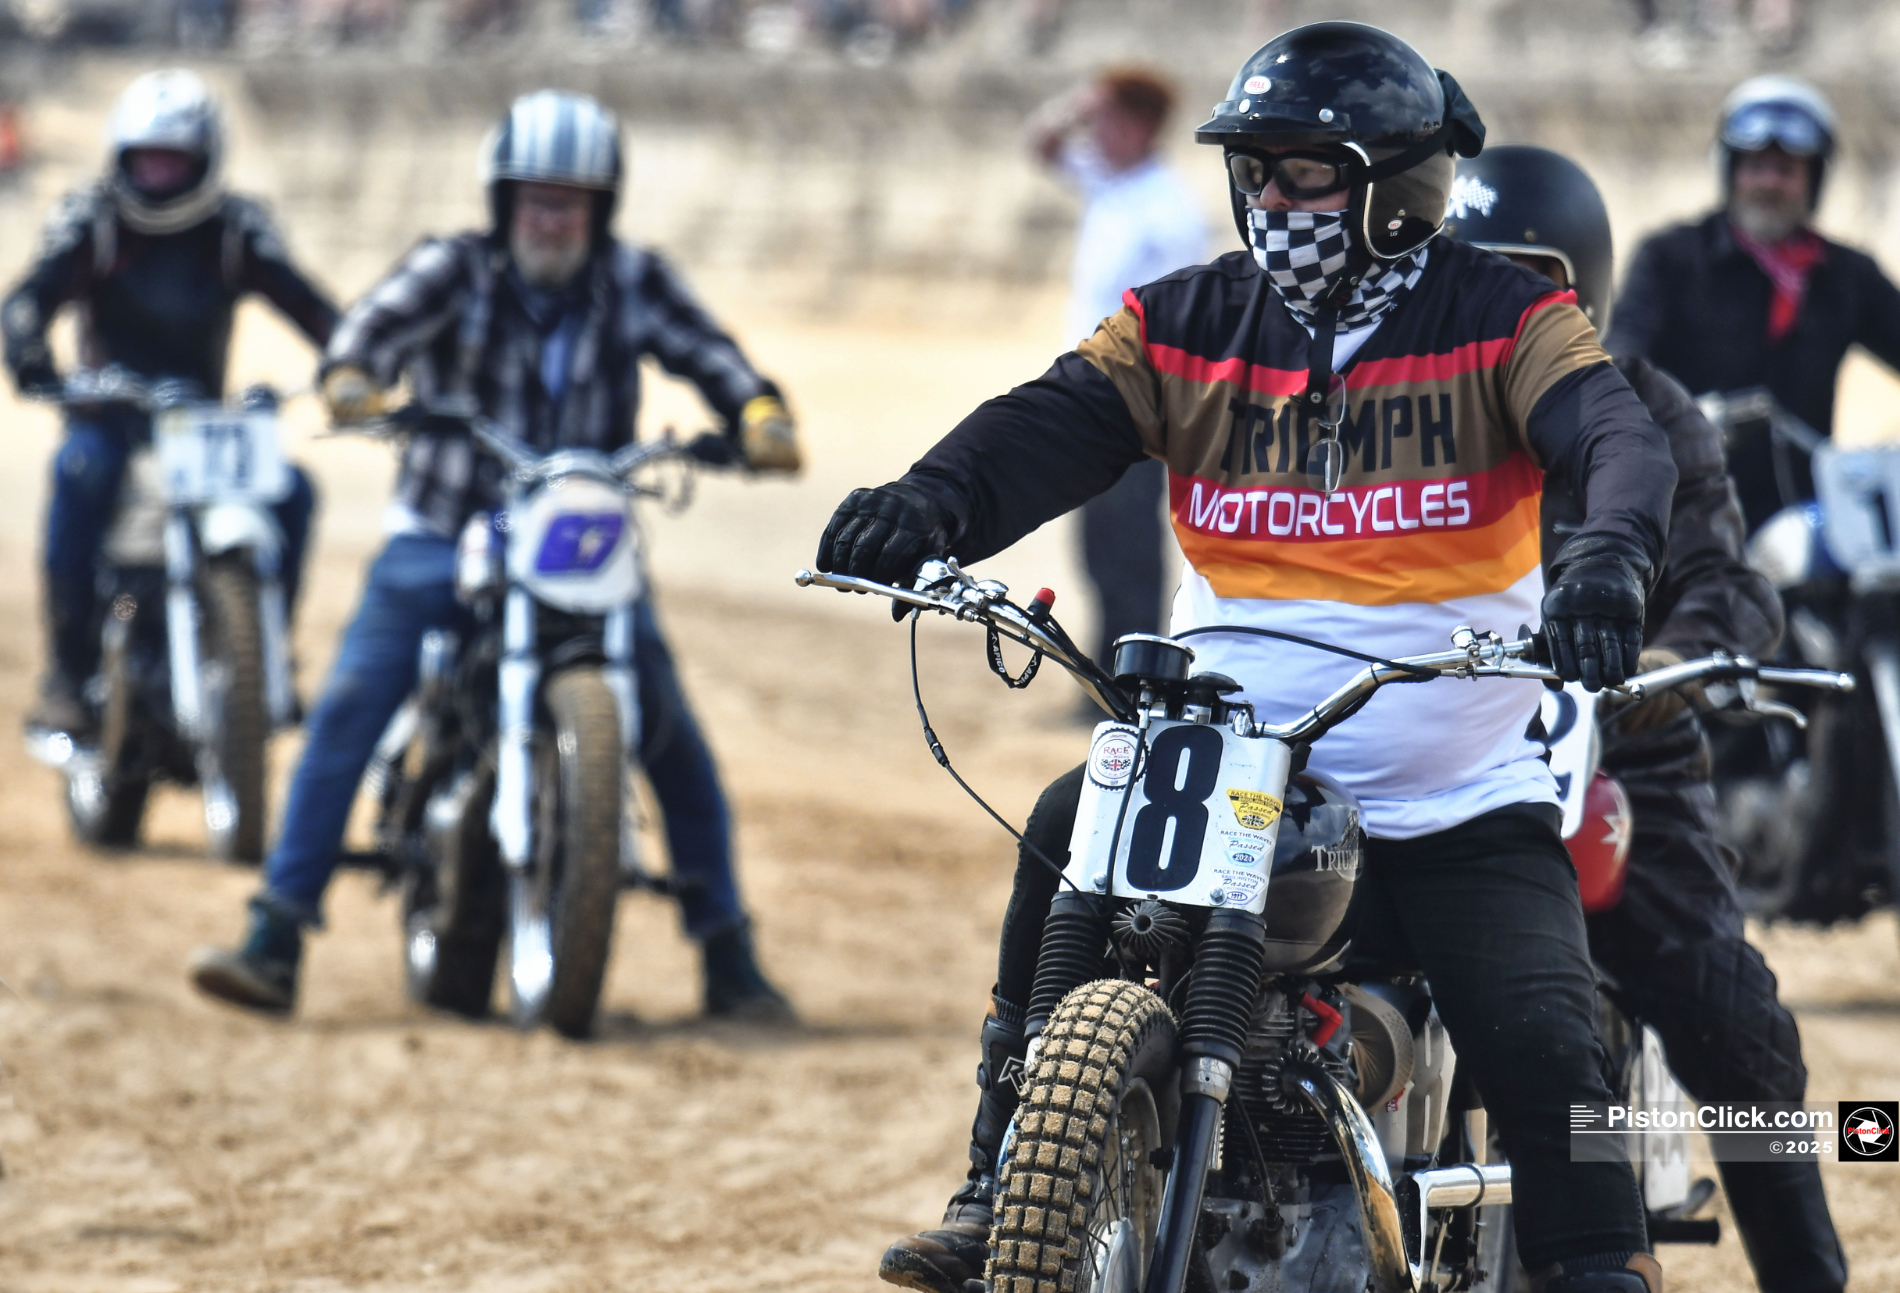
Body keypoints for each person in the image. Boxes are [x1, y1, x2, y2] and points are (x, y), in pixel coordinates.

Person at [825, 22, 1674, 1293]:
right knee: (1064, 824)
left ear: (1395, 187)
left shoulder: (1506, 315)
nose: (1270, 199)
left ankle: (1601, 1265)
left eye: (1304, 172)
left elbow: (1617, 436)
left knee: (1543, 1037)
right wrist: (928, 500)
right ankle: (1003, 1180)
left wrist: (1606, 559)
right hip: (1218, 757)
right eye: (1255, 171)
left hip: (1442, 785)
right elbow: (1046, 423)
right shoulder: (1188, 321)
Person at [188, 89, 801, 1022]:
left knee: (670, 727)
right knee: (354, 700)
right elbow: (365, 336)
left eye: (570, 203)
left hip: (579, 545)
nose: (549, 219)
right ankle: (276, 931)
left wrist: (756, 411)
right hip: (446, 529)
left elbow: (710, 355)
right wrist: (353, 377)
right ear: (501, 202)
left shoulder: (634, 280)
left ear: (601, 208)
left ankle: (728, 953)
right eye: (533, 201)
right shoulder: (453, 270)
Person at [1450, 143, 1847, 1293]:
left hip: (1616, 756)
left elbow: (1725, 579)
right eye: (1465, 277)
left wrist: (1659, 665)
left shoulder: (1642, 409)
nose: (1495, 308)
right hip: (1419, 751)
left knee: (1734, 1032)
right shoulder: (1396, 406)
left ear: (1584, 287)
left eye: (1525, 279)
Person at [2, 70, 334, 739]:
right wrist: (32, 355)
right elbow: (29, 297)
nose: (157, 175)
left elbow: (310, 304)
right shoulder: (92, 220)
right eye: (145, 160)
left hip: (205, 425)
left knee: (295, 491)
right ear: (120, 157)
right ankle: (68, 672)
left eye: (173, 160)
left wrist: (354, 358)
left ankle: (263, 656)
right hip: (112, 415)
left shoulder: (237, 229)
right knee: (78, 473)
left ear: (206, 160)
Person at [1609, 75, 1900, 533]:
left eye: (1786, 170)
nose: (1769, 183)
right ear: (1730, 171)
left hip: (1806, 518)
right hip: (1682, 506)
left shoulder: (1847, 275)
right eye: (1755, 166)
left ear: (1813, 178)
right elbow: (1624, 358)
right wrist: (1674, 418)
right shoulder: (1670, 258)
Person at [1028, 66, 1207, 676]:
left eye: (1106, 119)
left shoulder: (1168, 209)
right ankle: (1098, 680)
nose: (1095, 131)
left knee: (1128, 548)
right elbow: (1041, 146)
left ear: (1137, 126)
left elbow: (1178, 320)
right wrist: (1079, 104)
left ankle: (1133, 682)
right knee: (1097, 547)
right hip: (1090, 395)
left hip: (1137, 402)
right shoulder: (1111, 183)